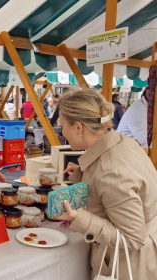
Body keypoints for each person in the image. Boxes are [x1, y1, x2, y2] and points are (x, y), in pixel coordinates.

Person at [57, 89, 157, 279]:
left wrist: (78, 217)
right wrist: (84, 173)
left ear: (78, 127)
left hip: (131, 265)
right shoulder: (122, 141)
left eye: (62, 125)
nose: (61, 131)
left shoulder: (110, 171)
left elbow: (132, 238)